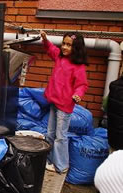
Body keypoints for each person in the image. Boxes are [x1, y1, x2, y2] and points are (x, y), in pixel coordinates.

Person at [40, 30, 88, 173]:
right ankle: (48, 160)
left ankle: (61, 166)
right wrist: (45, 39)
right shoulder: (60, 57)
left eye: (69, 45)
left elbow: (82, 85)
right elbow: (51, 49)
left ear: (77, 48)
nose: (65, 47)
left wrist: (78, 94)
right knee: (50, 133)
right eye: (64, 43)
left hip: (65, 106)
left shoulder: (78, 67)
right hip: (55, 101)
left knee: (60, 137)